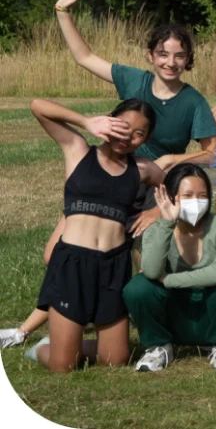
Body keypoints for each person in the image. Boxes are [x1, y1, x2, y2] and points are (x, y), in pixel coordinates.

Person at [30, 98, 165, 373]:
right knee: (62, 366)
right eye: (122, 127)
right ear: (109, 120)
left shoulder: (142, 169)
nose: (127, 137)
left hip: (114, 266)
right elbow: (37, 106)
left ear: (147, 138)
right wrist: (87, 122)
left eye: (138, 133)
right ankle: (47, 348)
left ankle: (68, 344)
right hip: (72, 263)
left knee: (115, 360)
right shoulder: (78, 150)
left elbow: (177, 191)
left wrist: (158, 212)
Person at [54, 0, 216, 167]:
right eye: (163, 54)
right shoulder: (135, 80)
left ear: (188, 58)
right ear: (150, 55)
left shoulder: (194, 102)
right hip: (117, 171)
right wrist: (62, 11)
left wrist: (169, 160)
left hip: (157, 179)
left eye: (179, 56)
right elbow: (84, 57)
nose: (171, 63)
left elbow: (212, 154)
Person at [125, 163, 216, 373]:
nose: (196, 202)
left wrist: (170, 280)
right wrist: (167, 224)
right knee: (138, 287)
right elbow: (152, 272)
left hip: (210, 311)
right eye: (188, 195)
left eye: (202, 195)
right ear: (172, 197)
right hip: (173, 311)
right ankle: (159, 347)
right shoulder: (156, 227)